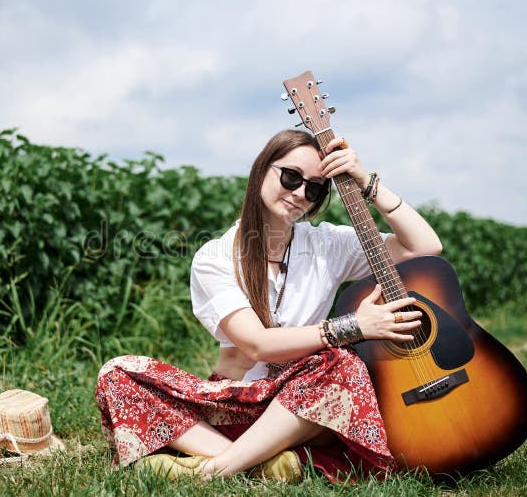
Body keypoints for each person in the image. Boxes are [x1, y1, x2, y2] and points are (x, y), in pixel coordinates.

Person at [95, 129, 442, 482]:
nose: (299, 194)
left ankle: (214, 469)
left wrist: (367, 182)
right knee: (117, 373)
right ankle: (257, 464)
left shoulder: (327, 245)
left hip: (304, 407)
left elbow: (424, 248)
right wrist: (355, 325)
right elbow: (255, 343)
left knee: (339, 363)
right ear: (262, 169)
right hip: (235, 406)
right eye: (291, 177)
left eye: (314, 188)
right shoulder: (215, 256)